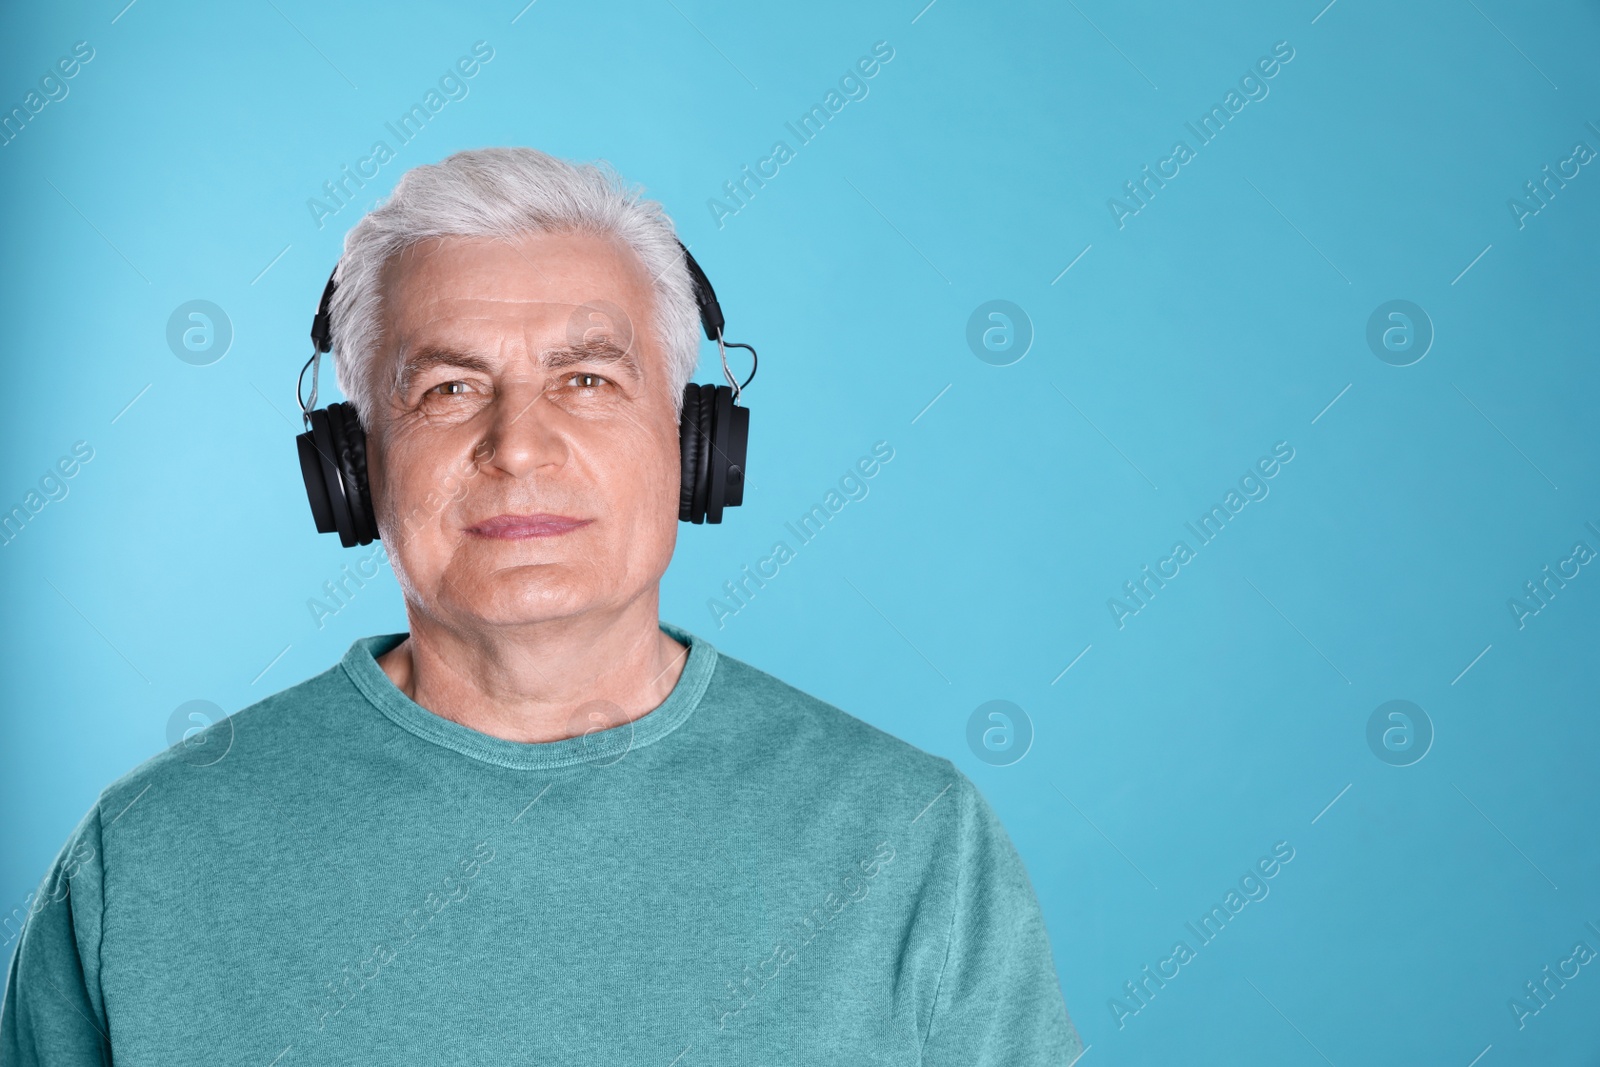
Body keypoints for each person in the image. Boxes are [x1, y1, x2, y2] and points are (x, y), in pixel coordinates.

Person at [1, 146, 1083, 1064]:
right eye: (448, 388)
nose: (517, 446)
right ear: (351, 465)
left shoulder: (910, 841)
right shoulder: (144, 858)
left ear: (694, 445)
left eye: (587, 380)